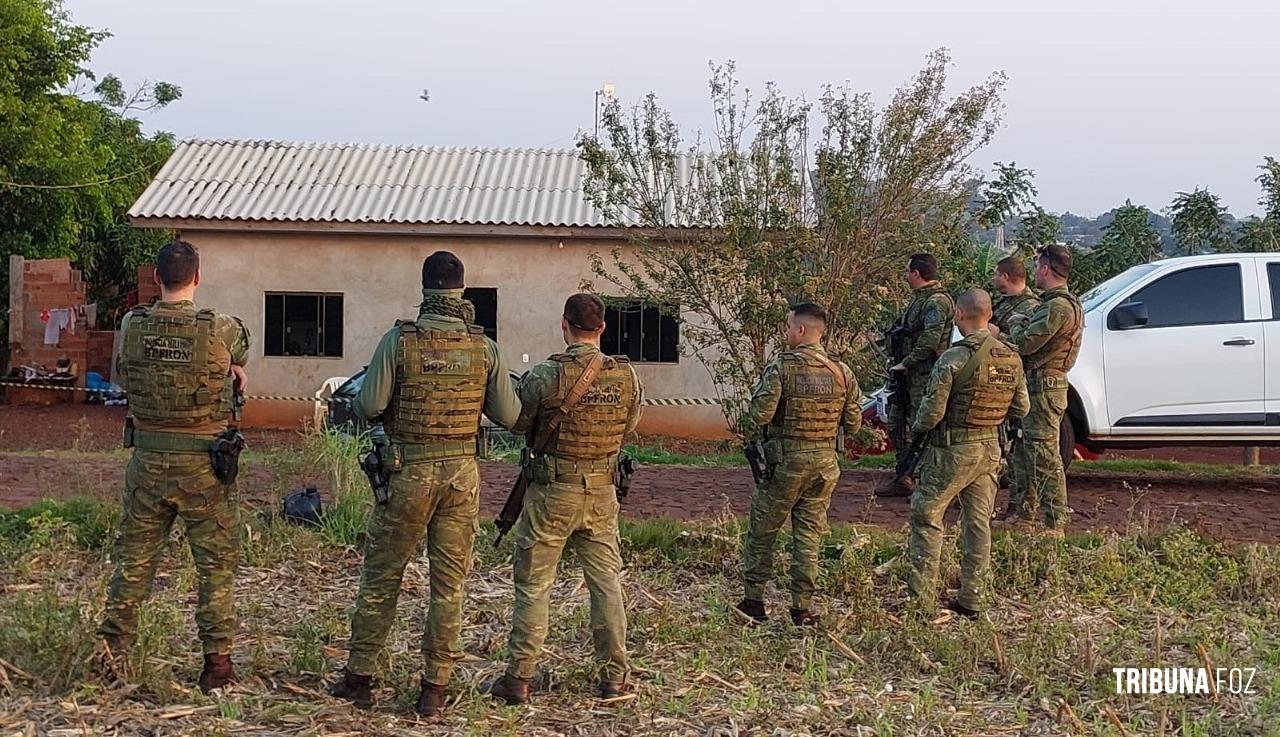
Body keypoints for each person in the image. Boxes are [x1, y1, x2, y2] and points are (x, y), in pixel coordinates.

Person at [330, 251, 521, 716]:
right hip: (460, 476)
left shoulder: (399, 341)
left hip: (406, 474)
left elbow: (369, 405)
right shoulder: (484, 347)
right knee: (449, 584)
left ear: (425, 289)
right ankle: (434, 689)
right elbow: (510, 416)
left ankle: (360, 678)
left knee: (382, 577)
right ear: (461, 290)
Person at [98, 240, 250, 693]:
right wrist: (233, 370)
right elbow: (240, 351)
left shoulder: (131, 323)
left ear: (158, 278)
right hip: (205, 465)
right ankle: (217, 668)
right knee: (215, 567)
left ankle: (111, 658)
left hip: (146, 460)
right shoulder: (220, 328)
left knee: (134, 562)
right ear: (197, 278)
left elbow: (125, 372)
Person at [484, 293, 643, 705]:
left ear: (564, 325)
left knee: (534, 586)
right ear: (602, 328)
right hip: (602, 493)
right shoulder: (627, 376)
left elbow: (520, 423)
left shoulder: (545, 374)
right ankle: (615, 677)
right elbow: (629, 427)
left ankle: (519, 678)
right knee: (606, 584)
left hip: (551, 493)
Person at [734, 303, 862, 626]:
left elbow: (759, 415)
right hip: (824, 465)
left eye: (789, 326)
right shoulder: (841, 372)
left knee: (763, 531)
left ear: (801, 330)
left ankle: (753, 601)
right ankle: (801, 608)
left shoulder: (781, 367)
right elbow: (854, 423)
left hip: (785, 464)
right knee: (808, 535)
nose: (786, 332)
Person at [906, 289, 1028, 617]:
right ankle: (973, 598)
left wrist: (916, 431)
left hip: (952, 449)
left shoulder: (954, 358)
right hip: (990, 450)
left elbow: (931, 414)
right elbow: (1022, 407)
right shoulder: (1011, 357)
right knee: (978, 523)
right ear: (989, 315)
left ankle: (921, 602)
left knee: (927, 514)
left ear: (959, 314)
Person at [990, 245, 1084, 537]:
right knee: (1025, 453)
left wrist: (999, 335)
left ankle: (1054, 521)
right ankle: (1024, 514)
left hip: (1045, 387)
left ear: (1045, 268)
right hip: (1036, 385)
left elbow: (1027, 344)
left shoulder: (1057, 307)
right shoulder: (1056, 303)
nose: (1034, 273)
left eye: (1037, 267)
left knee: (1044, 456)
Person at [880, 253, 955, 496]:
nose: (905, 276)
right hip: (909, 375)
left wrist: (907, 362)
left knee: (920, 428)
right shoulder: (919, 300)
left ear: (916, 273)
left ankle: (923, 480)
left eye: (907, 271)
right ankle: (904, 474)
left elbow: (930, 341)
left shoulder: (936, 302)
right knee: (897, 423)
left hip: (923, 374)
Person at [990, 256, 1041, 517]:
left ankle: (1021, 507)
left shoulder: (1031, 307)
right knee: (1008, 448)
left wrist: (999, 336)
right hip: (999, 381)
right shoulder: (1005, 304)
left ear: (1005, 276)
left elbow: (1026, 346)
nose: (994, 279)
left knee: (1020, 450)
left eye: (996, 274)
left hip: (1019, 382)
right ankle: (1012, 504)